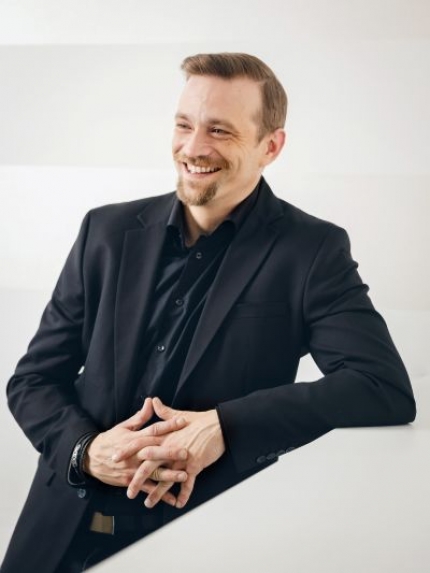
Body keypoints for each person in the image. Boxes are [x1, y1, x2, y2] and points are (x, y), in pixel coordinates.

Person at [1, 52, 416, 573]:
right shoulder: (103, 231)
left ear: (270, 147)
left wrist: (226, 424)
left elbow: (381, 388)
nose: (194, 147)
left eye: (219, 130)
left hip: (206, 541)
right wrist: (85, 450)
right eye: (184, 125)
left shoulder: (312, 251)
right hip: (57, 533)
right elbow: (34, 380)